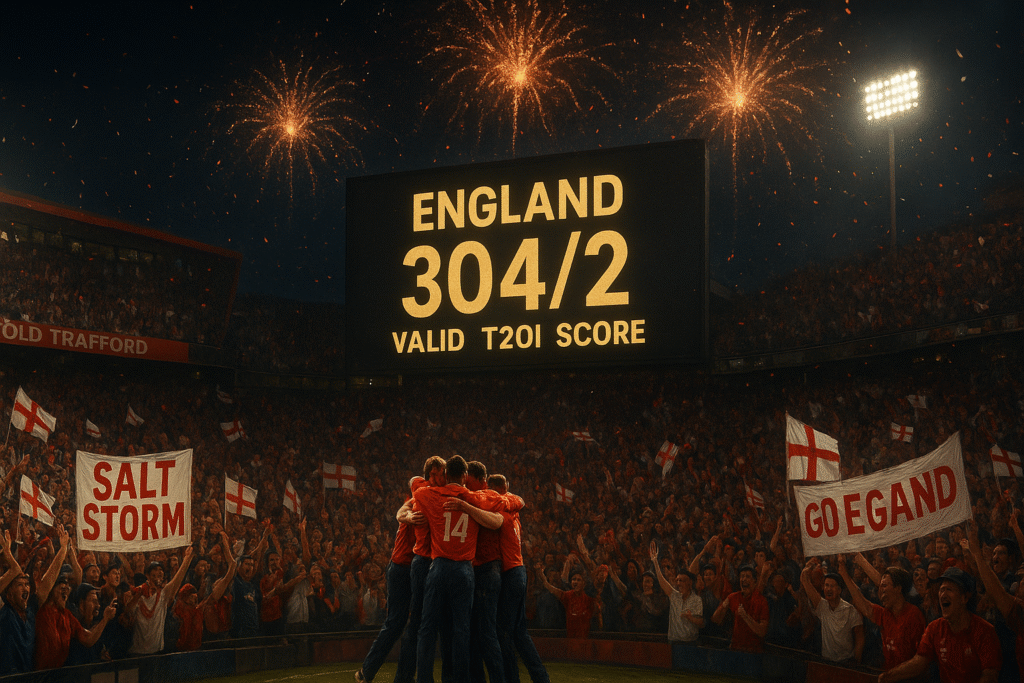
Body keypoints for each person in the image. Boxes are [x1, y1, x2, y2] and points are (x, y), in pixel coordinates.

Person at [413, 455, 505, 683]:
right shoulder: (474, 498)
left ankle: (424, 679)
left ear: (445, 475)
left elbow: (417, 492)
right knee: (461, 630)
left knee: (427, 627)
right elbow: (497, 519)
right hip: (465, 569)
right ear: (465, 476)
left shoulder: (430, 495)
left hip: (439, 565)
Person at [356, 476, 427, 683]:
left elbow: (402, 511)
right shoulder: (415, 503)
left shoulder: (413, 502)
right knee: (403, 624)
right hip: (403, 567)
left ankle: (374, 673)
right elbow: (403, 511)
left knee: (400, 624)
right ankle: (390, 674)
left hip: (405, 567)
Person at [879, 567, 1001, 683]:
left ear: (964, 598)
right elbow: (918, 663)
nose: (943, 594)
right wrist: (888, 676)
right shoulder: (935, 628)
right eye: (941, 589)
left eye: (949, 589)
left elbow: (990, 675)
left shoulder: (984, 631)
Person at [487, 474, 549, 683]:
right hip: (519, 570)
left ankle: (512, 678)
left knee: (504, 631)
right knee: (519, 633)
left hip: (510, 573)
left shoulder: (501, 512)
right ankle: (541, 678)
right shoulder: (512, 507)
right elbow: (519, 499)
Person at [837, 554, 924, 671]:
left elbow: (922, 661)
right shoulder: (886, 614)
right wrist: (844, 574)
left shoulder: (913, 615)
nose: (880, 590)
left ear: (898, 588)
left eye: (884, 586)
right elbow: (864, 605)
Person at [1, 526, 69, 674]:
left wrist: (63, 550)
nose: (26, 588)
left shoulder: (31, 608)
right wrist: (8, 555)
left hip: (29, 677)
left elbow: (48, 581)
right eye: (20, 585)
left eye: (27, 584)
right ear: (9, 593)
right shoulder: (3, 610)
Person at [34, 573, 117, 669]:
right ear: (51, 591)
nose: (66, 591)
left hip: (59, 675)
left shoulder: (67, 615)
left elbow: (88, 640)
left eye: (67, 588)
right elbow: (43, 589)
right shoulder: (42, 610)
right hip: (40, 676)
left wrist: (105, 619)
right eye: (62, 588)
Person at [173, 530, 237, 651]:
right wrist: (188, 557)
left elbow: (232, 566)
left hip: (205, 646)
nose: (195, 596)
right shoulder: (180, 608)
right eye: (190, 594)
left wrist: (225, 545)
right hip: (184, 650)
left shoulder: (204, 605)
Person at [128, 545, 194, 655]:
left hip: (156, 652)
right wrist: (138, 594)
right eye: (155, 570)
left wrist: (188, 558)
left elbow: (178, 578)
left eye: (161, 570)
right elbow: (128, 611)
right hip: (136, 653)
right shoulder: (138, 595)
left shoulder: (163, 596)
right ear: (147, 575)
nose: (160, 572)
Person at [800, 559, 864, 664]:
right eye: (826, 585)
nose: (828, 589)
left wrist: (856, 662)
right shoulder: (822, 606)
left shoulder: (850, 610)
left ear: (839, 590)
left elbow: (860, 637)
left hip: (846, 663)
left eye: (832, 586)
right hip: (826, 662)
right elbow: (805, 580)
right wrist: (808, 567)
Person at [650, 540, 702, 644]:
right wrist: (655, 562)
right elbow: (662, 582)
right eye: (677, 580)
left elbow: (701, 622)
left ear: (689, 583)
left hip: (690, 643)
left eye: (681, 580)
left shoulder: (696, 599)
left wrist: (690, 618)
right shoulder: (674, 596)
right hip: (674, 643)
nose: (678, 583)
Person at [712, 564, 768, 652]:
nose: (744, 579)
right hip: (736, 649)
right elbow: (715, 619)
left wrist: (745, 616)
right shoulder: (734, 597)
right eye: (742, 576)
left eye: (747, 576)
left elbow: (762, 632)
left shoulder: (762, 601)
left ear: (754, 581)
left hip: (754, 652)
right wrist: (723, 606)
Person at [535, 564, 601, 639]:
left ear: (584, 583)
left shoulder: (589, 600)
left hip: (585, 640)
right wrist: (539, 571)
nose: (575, 582)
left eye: (579, 580)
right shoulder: (567, 596)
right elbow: (548, 585)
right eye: (573, 579)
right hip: (571, 640)